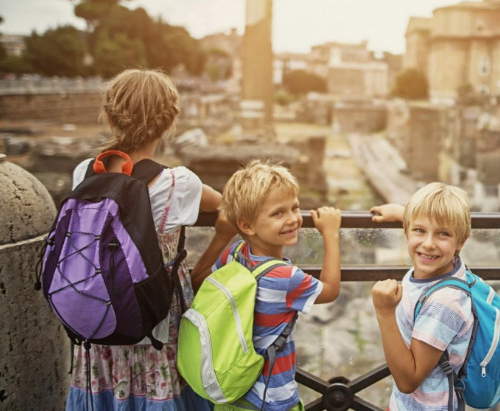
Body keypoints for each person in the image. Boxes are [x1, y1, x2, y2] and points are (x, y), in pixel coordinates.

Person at [66, 68, 230, 410]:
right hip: (155, 322)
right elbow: (228, 204)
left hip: (100, 314)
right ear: (170, 122)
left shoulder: (84, 173)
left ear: (109, 118)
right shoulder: (178, 183)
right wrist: (222, 238)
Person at [190, 160, 341, 411]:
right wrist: (331, 233)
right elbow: (331, 289)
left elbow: (198, 279)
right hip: (272, 399)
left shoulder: (235, 253)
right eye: (278, 213)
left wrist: (222, 235)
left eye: (295, 208)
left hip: (231, 392)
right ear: (247, 225)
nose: (293, 219)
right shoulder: (285, 277)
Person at [370, 183, 475, 411]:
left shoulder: (444, 303)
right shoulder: (450, 267)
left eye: (443, 234)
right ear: (407, 229)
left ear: (461, 242)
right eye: (419, 230)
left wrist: (384, 312)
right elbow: (430, 231)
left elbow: (408, 381)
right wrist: (402, 214)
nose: (428, 244)